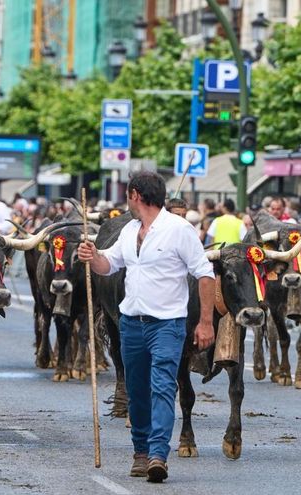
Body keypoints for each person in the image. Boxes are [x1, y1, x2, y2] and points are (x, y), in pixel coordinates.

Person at [77, 171, 215, 483]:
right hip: (131, 324)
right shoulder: (128, 230)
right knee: (137, 392)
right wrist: (92, 255)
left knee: (163, 386)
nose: (128, 199)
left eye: (128, 194)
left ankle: (157, 454)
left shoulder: (179, 230)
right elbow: (108, 265)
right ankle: (140, 452)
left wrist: (206, 322)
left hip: (167, 324)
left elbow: (205, 274)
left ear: (136, 195)